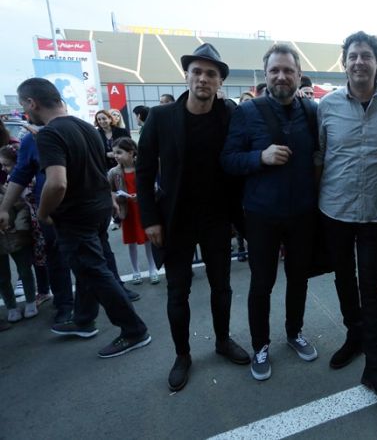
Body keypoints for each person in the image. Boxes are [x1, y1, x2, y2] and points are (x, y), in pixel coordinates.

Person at [136, 43, 249, 392]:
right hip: (175, 220)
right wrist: (150, 219)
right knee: (177, 292)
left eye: (211, 74)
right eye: (197, 71)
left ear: (220, 82)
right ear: (186, 75)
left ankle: (222, 341)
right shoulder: (161, 117)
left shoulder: (229, 114)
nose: (203, 78)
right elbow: (143, 171)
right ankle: (182, 355)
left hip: (217, 217)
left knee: (222, 287)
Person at [18, 77, 151, 358]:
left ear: (32, 102)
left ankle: (134, 330)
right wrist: (109, 198)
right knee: (87, 267)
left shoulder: (50, 134)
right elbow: (98, 170)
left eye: (24, 106)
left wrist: (43, 213)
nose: (25, 113)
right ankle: (83, 319)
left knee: (93, 270)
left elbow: (57, 183)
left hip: (75, 215)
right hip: (97, 209)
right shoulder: (86, 128)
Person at [221, 43, 319, 381]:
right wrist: (259, 157)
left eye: (288, 70)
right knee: (262, 283)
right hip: (261, 214)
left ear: (298, 75)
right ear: (265, 75)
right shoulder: (247, 112)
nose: (281, 76)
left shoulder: (311, 111)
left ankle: (294, 332)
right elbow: (228, 160)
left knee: (298, 278)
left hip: (303, 212)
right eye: (274, 70)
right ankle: (260, 345)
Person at [318, 31, 377, 399]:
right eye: (353, 56)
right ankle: (354, 334)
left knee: (371, 285)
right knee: (343, 279)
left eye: (366, 55)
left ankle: (375, 365)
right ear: (344, 63)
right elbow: (319, 156)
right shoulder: (327, 106)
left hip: (375, 213)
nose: (359, 62)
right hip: (334, 209)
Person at [0, 124, 75, 324]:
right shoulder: (28, 142)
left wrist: (36, 215)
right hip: (43, 217)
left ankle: (62, 304)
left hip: (47, 217)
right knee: (51, 260)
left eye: (6, 165)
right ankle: (60, 302)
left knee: (62, 259)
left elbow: (56, 183)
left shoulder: (73, 130)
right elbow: (21, 178)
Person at [108, 137, 159, 285]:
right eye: (114, 153)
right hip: (127, 211)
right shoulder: (114, 172)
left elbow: (153, 186)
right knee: (131, 242)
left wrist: (142, 195)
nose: (116, 156)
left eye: (119, 152)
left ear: (131, 152)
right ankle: (135, 271)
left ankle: (152, 269)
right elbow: (110, 190)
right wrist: (116, 198)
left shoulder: (142, 168)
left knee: (148, 240)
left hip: (143, 209)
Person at [0, 144, 38, 323]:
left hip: (16, 235)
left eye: (5, 165)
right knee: (2, 277)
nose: (3, 168)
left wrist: (19, 227)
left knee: (25, 269)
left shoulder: (6, 188)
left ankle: (31, 301)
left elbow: (21, 206)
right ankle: (11, 307)